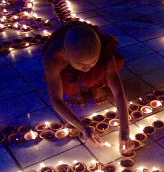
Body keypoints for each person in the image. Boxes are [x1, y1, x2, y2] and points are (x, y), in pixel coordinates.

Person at [43, 21, 134, 153]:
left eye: (93, 61)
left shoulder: (103, 51)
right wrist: (83, 128)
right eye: (80, 64)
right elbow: (56, 100)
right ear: (65, 53)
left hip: (87, 47)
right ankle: (73, 92)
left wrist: (125, 130)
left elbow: (119, 93)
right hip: (65, 54)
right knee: (65, 80)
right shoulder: (54, 57)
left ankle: (96, 86)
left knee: (98, 70)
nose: (86, 68)